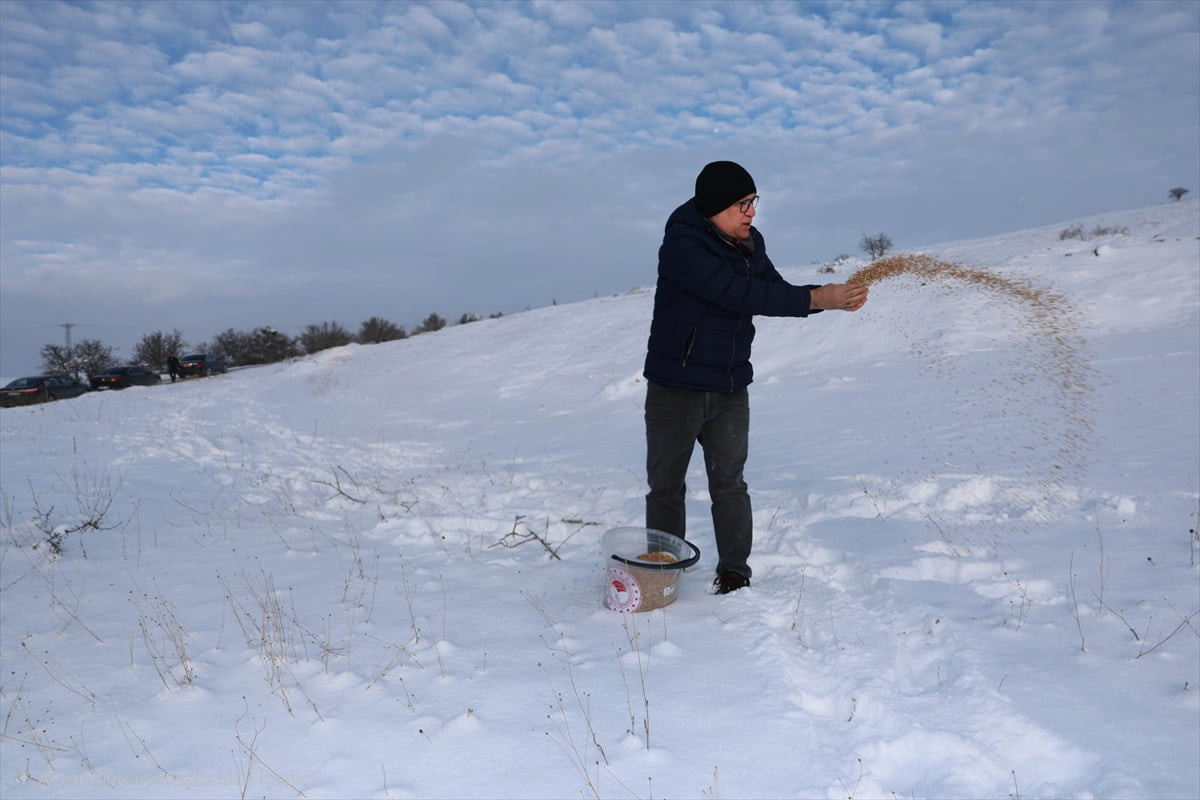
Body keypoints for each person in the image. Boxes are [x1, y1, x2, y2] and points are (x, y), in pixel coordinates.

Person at [642, 161, 868, 594]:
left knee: (729, 483)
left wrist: (824, 299)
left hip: (729, 386)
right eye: (742, 204)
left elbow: (772, 288)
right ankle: (663, 573)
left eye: (753, 202)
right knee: (667, 486)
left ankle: (734, 572)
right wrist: (819, 298)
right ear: (713, 207)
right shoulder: (683, 246)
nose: (751, 212)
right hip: (676, 386)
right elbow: (736, 293)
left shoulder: (749, 242)